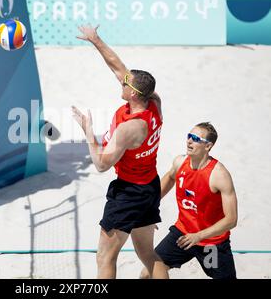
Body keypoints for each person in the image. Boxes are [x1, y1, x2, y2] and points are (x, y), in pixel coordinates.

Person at [72, 25, 168, 279]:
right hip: (149, 186)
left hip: (129, 193)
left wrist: (88, 133)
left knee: (105, 257)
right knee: (148, 254)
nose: (121, 80)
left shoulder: (130, 129)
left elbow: (102, 164)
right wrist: (96, 40)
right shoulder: (153, 101)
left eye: (125, 83)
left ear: (133, 93)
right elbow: (118, 67)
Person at [140, 122, 238, 279]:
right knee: (147, 273)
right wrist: (149, 208)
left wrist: (199, 236)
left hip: (210, 242)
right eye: (188, 136)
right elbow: (170, 178)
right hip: (182, 235)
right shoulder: (180, 162)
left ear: (208, 146)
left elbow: (231, 220)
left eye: (195, 138)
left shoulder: (219, 175)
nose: (189, 141)